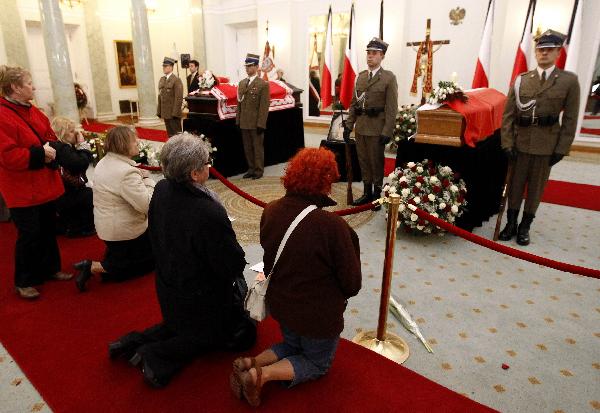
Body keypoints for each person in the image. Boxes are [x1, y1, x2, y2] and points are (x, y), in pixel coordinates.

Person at [108, 132, 255, 387]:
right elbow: (231, 264)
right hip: (200, 295)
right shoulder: (206, 211)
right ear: (195, 174)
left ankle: (131, 342)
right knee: (239, 335)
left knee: (178, 325)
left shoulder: (162, 189)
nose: (209, 167)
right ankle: (152, 355)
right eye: (206, 164)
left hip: (168, 286)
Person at [230, 147, 362, 407]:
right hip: (317, 317)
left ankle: (250, 362)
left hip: (281, 305)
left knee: (291, 344)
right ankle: (261, 375)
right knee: (316, 362)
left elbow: (270, 260)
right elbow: (352, 284)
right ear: (326, 182)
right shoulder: (334, 228)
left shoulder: (271, 210)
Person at [499, 30, 580, 246]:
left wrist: (562, 149)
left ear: (557, 52)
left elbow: (571, 119)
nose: (544, 53)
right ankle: (511, 223)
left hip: (547, 145)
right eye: (540, 50)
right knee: (515, 186)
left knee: (536, 189)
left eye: (549, 50)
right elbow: (508, 116)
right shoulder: (522, 80)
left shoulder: (568, 81)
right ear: (536, 52)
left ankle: (525, 226)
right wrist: (507, 143)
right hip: (520, 142)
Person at [0, 65, 73, 299]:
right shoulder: (2, 114)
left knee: (48, 230)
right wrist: (41, 154)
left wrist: (52, 149)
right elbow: (8, 155)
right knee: (29, 234)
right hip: (22, 188)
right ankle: (24, 280)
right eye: (29, 83)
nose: (34, 86)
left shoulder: (33, 110)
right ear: (15, 87)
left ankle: (50, 268)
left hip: (44, 184)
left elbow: (49, 136)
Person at [74, 126, 155, 291]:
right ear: (123, 144)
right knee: (151, 262)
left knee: (143, 253)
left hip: (106, 226)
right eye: (134, 140)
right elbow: (147, 205)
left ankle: (114, 260)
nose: (138, 142)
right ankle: (93, 267)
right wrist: (147, 181)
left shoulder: (104, 161)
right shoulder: (126, 172)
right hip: (125, 231)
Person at [343, 37, 398, 206]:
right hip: (361, 127)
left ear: (382, 56)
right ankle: (366, 192)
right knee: (363, 160)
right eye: (368, 53)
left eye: (374, 53)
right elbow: (354, 103)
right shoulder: (360, 77)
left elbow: (391, 108)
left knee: (376, 161)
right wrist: (348, 125)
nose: (370, 56)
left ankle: (376, 194)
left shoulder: (388, 78)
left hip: (377, 128)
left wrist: (387, 131)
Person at [50, 117, 95, 237]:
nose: (75, 133)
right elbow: (80, 164)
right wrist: (82, 145)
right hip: (67, 195)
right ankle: (81, 228)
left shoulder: (63, 146)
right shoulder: (61, 147)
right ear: (62, 133)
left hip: (64, 192)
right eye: (71, 131)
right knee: (89, 194)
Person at [236, 53, 270, 180]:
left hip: (256, 123)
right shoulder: (242, 83)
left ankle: (258, 170)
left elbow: (264, 107)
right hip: (245, 122)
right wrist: (238, 120)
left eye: (250, 66)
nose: (247, 69)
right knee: (247, 147)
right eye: (246, 66)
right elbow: (239, 104)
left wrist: (261, 124)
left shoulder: (263, 84)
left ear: (256, 67)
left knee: (257, 148)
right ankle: (250, 168)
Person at [157, 57, 184, 137]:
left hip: (173, 113)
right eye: (163, 66)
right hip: (165, 112)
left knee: (177, 136)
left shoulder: (176, 80)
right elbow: (160, 96)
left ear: (171, 67)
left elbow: (178, 98)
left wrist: (175, 113)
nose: (164, 68)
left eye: (166, 66)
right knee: (170, 135)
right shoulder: (162, 79)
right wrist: (159, 111)